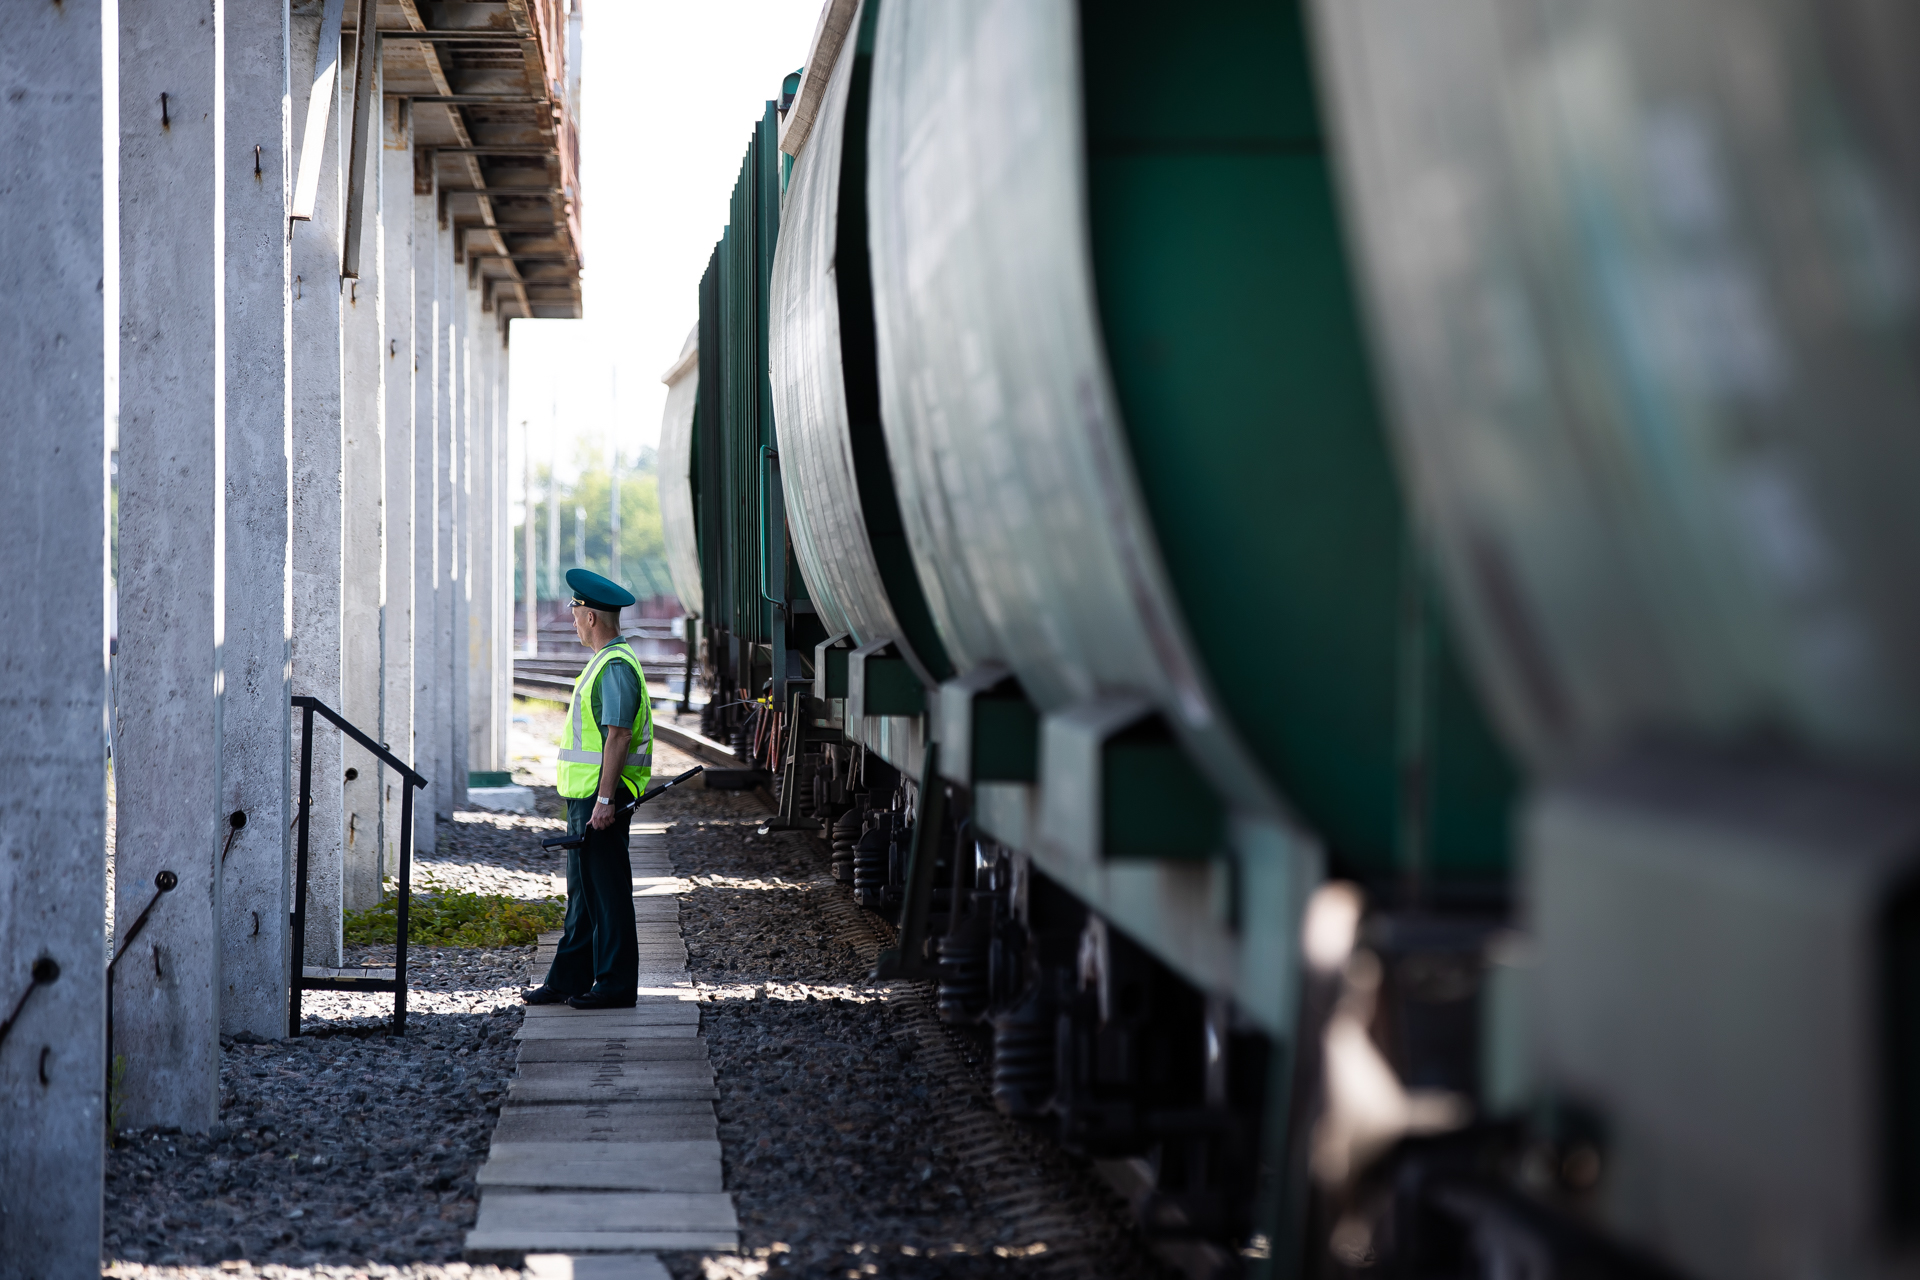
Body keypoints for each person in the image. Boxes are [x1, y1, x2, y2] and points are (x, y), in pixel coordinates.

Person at [524, 569, 654, 1010]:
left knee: (608, 893)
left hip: (604, 799)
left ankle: (616, 985)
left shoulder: (615, 667)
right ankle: (567, 979)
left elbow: (618, 735)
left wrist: (604, 801)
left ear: (592, 617)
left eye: (576, 611)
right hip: (588, 797)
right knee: (583, 893)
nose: (573, 619)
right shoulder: (604, 662)